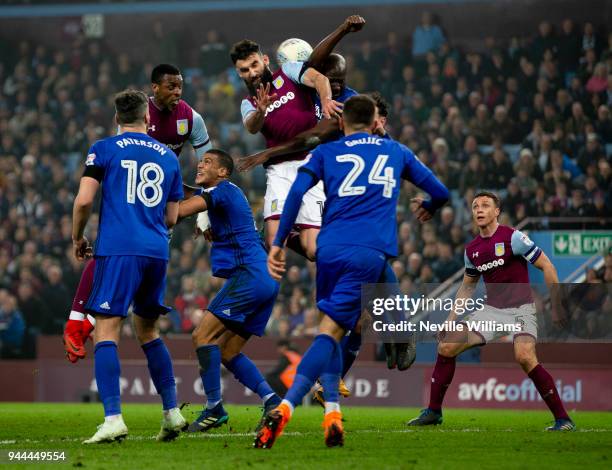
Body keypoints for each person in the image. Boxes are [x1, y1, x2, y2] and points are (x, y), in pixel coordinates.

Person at [254, 95, 449, 449]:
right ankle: (286, 406)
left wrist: (280, 242)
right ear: (376, 120)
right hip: (368, 252)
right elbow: (441, 191)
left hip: (328, 249)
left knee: (332, 328)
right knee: (330, 334)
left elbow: (297, 191)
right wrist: (430, 205)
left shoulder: (326, 153)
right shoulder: (396, 152)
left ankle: (332, 411)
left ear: (342, 122)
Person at [63, 63, 213, 363]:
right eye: (171, 86)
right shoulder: (138, 115)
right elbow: (126, 160)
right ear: (154, 88)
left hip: (162, 195)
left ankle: (84, 321)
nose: (178, 91)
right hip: (139, 195)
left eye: (180, 85)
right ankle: (81, 321)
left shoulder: (191, 118)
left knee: (125, 263)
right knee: (117, 257)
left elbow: (209, 166)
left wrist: (202, 211)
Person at [73, 89, 187, 444]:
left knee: (105, 332)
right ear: (148, 118)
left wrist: (77, 237)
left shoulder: (104, 148)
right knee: (148, 331)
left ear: (116, 119)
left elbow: (84, 200)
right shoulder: (169, 155)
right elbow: (171, 217)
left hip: (119, 250)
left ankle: (112, 419)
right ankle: (171, 413)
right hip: (156, 253)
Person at [407, 191, 576, 432]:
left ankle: (563, 419)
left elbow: (547, 265)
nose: (479, 209)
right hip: (491, 312)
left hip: (521, 311)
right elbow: (467, 287)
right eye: (475, 206)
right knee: (446, 345)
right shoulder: (472, 250)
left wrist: (558, 305)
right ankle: (434, 411)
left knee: (525, 357)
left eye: (485, 205)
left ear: (497, 211)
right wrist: (450, 321)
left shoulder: (514, 238)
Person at [231, 15, 364, 261]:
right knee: (273, 242)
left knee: (313, 251)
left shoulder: (288, 72)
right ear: (239, 74)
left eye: (254, 65)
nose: (251, 73)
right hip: (279, 171)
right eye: (244, 70)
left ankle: (338, 253)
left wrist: (325, 99)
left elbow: (319, 78)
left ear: (265, 60)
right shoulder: (247, 103)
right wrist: (260, 111)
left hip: (311, 163)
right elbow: (251, 126)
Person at [176, 149, 282, 431]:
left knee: (202, 336)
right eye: (200, 160)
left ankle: (214, 407)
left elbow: (180, 211)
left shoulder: (222, 191)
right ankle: (272, 400)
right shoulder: (224, 194)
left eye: (208, 162)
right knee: (227, 351)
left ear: (223, 172)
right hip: (265, 278)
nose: (200, 164)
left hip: (250, 275)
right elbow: (191, 194)